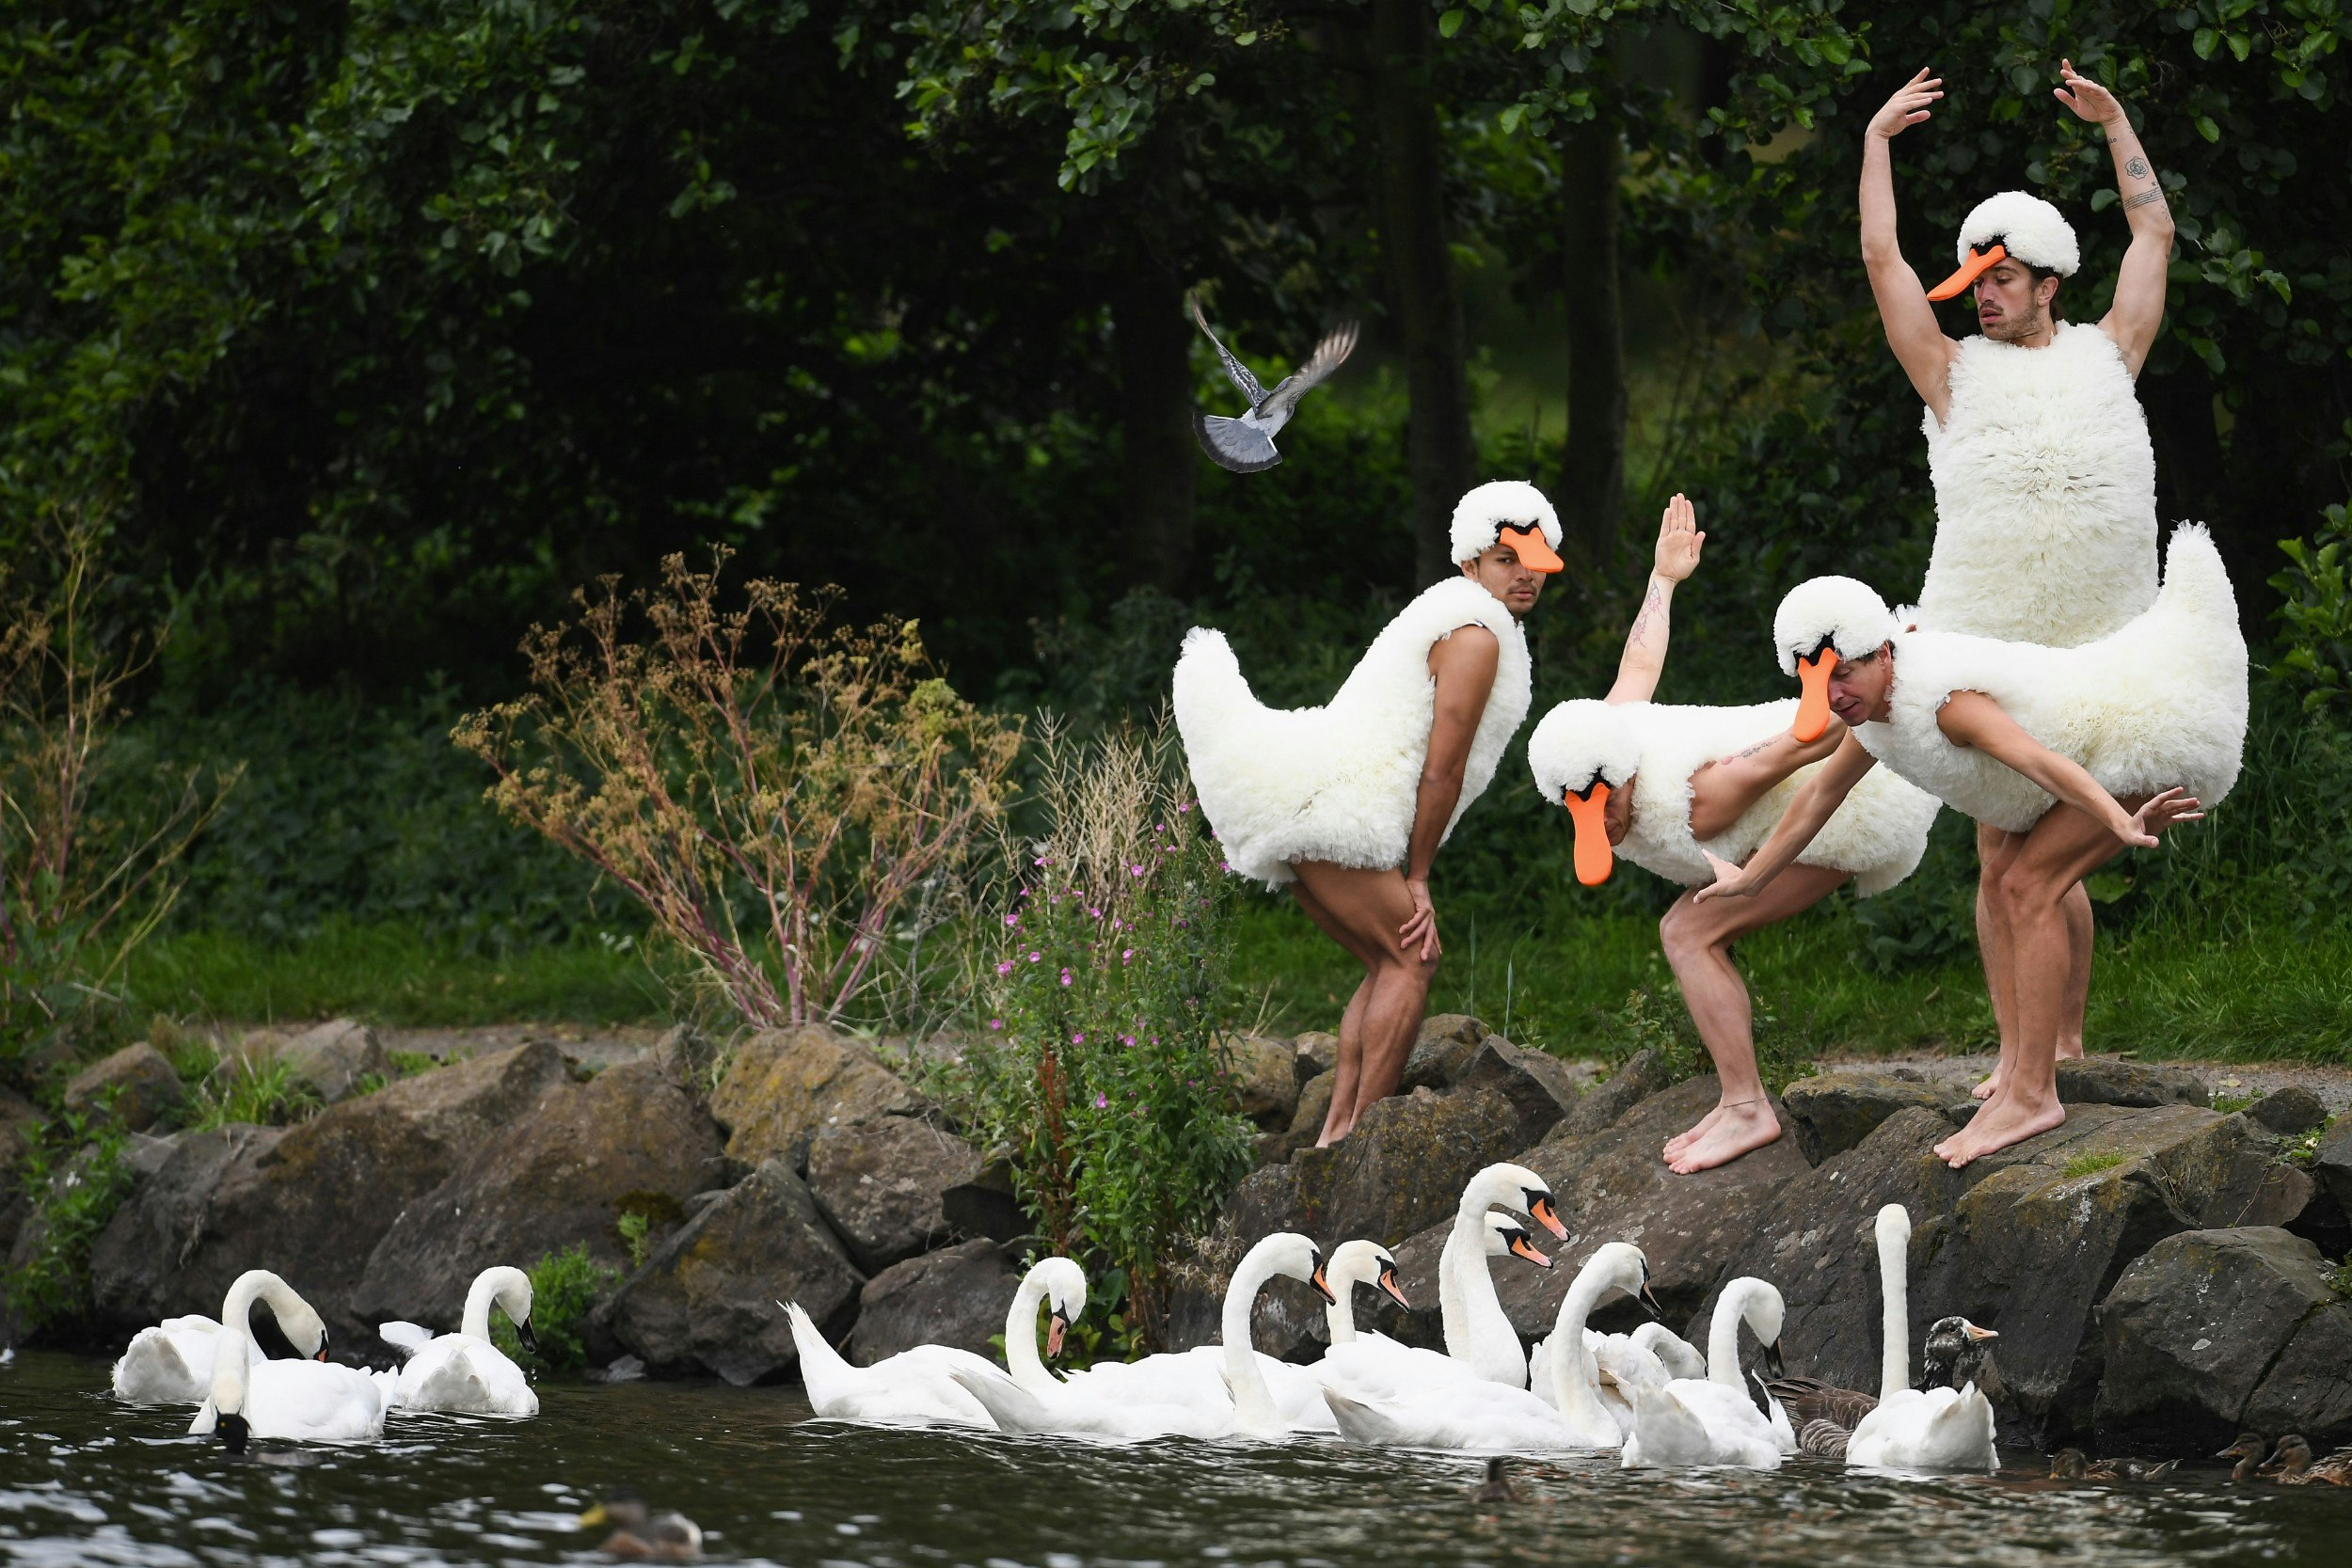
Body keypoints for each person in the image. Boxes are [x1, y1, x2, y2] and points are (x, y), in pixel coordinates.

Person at [1703, 527, 2246, 1167]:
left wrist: (2119, 822)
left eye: (1843, 675)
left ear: (1882, 654)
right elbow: (1818, 797)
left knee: (2028, 885)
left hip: (2138, 738)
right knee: (1997, 878)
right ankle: (2020, 1067)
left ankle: (2035, 1094)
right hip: (2077, 757)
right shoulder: (1872, 713)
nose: (1832, 696)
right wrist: (1748, 880)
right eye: (1817, 682)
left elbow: (2042, 762)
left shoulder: (1944, 703)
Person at [1862, 59, 2176, 1104]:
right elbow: (1881, 262)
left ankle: (2063, 1039)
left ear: (2047, 282)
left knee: (2045, 864)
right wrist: (1874, 144)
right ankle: (2019, 1056)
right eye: (1975, 280)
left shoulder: (2105, 356)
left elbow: (2153, 239)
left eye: (2002, 278)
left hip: (2099, 642)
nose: (1983, 294)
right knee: (2003, 854)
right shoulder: (1952, 374)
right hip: (1992, 642)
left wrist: (2117, 123)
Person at [1527, 498, 1939, 1172]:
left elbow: (1797, 749)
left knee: (1689, 933)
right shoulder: (1600, 742)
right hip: (1794, 792)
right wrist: (1663, 580)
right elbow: (1637, 669)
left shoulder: (1697, 799)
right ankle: (1737, 1096)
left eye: (1610, 803)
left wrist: (1898, 662)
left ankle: (1747, 1106)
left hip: (1855, 805)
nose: (1603, 819)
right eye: (1580, 806)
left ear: (1630, 778)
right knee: (1685, 931)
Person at [1173, 482, 1563, 1144]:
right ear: (1471, 564)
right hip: (1334, 808)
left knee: (1389, 962)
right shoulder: (1474, 637)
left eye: (1536, 557)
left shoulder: (1455, 617)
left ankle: (1334, 1136)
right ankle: (1358, 1141)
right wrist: (1417, 877)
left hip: (1318, 798)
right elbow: (1441, 771)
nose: (1525, 572)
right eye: (1505, 558)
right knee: (1413, 960)